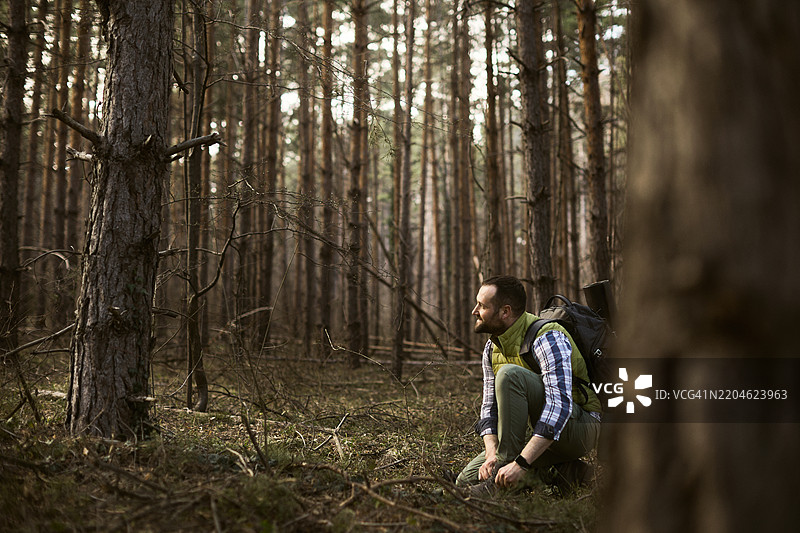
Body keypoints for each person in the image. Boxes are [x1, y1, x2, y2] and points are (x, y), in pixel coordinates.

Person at [455, 275, 601, 494]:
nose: (475, 310)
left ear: (505, 312)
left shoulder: (547, 337)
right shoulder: (491, 348)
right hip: (539, 430)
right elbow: (488, 409)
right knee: (466, 479)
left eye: (482, 305)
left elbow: (559, 408)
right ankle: (566, 471)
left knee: (509, 375)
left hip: (579, 427)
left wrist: (520, 463)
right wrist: (491, 452)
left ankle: (505, 480)